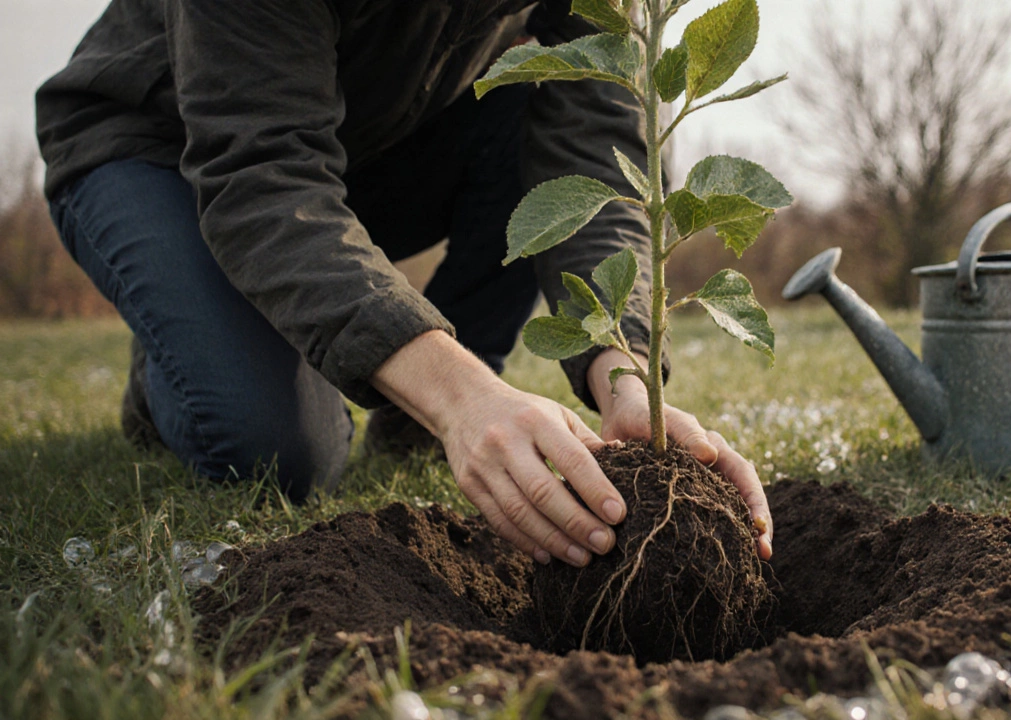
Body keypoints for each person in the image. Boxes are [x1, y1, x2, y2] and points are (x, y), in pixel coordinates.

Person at [36, 0, 773, 568]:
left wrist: (626, 374)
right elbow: (262, 176)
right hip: (158, 150)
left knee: (526, 102)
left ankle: (407, 411)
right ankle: (189, 332)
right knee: (279, 452)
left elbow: (595, 156)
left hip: (362, 143)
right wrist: (461, 399)